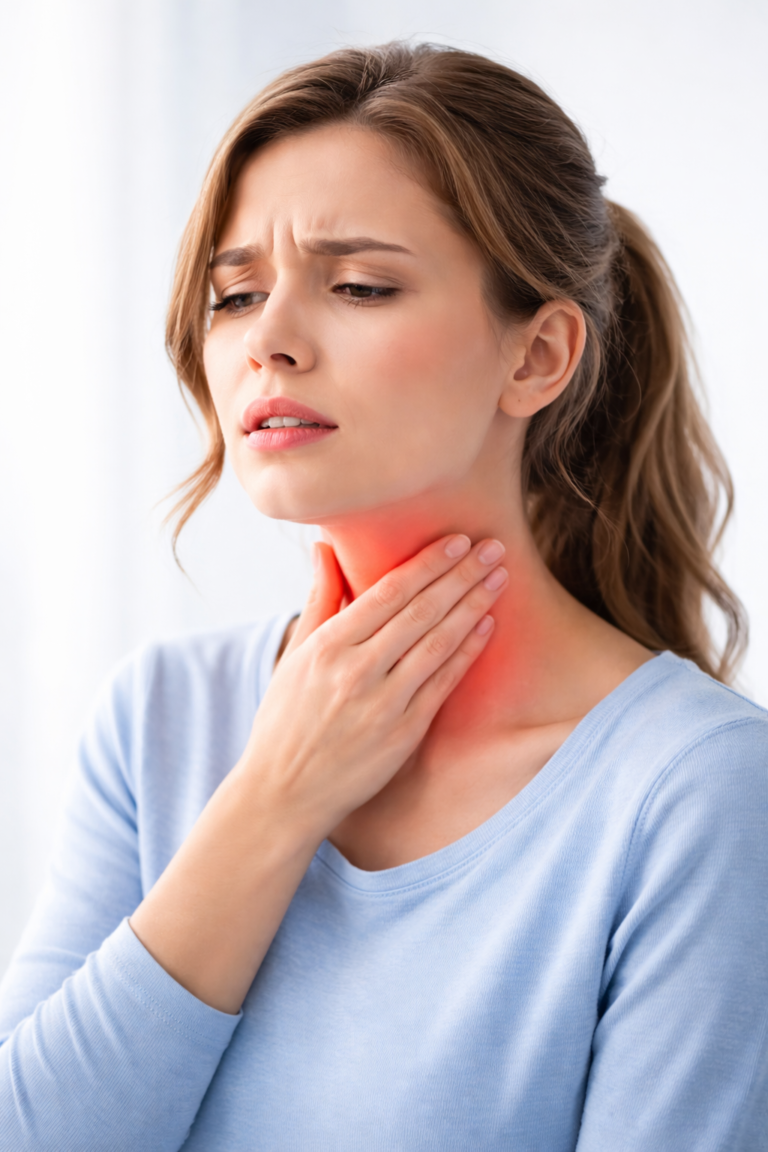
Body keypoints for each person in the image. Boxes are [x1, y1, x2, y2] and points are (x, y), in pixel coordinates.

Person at [0, 41, 766, 1152]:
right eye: (235, 295)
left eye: (359, 286)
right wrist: (273, 800)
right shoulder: (156, 719)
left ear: (539, 356)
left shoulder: (698, 795)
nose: (268, 343)